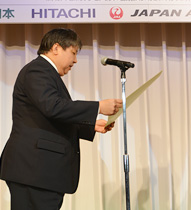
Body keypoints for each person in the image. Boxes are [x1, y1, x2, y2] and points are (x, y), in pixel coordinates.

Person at [0, 28, 123, 210]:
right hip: (34, 171)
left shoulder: (45, 73)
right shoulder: (37, 70)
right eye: (73, 53)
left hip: (40, 173)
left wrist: (89, 126)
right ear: (56, 48)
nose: (75, 60)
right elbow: (52, 107)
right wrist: (98, 106)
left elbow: (49, 116)